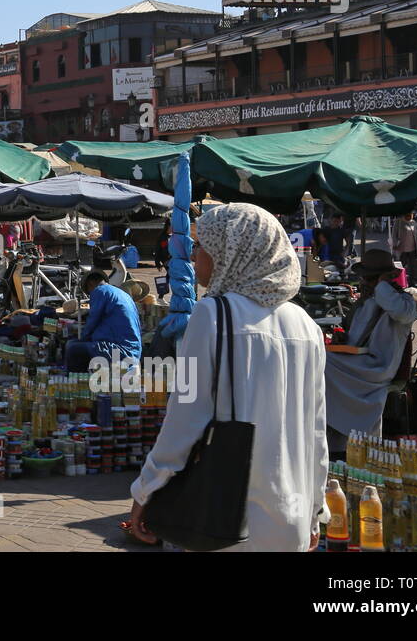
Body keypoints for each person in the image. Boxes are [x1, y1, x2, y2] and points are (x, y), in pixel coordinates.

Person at [127, 202, 329, 552]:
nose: (195, 258)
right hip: (291, 517)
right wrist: (315, 510)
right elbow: (316, 430)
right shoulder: (305, 325)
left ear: (231, 252)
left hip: (227, 517)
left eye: (203, 247)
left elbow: (185, 416)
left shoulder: (213, 314)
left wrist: (146, 489)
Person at [324, 246, 417, 457]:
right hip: (357, 361)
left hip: (377, 367)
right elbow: (354, 335)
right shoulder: (364, 303)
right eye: (364, 279)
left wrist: (383, 285)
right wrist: (343, 337)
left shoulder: (402, 301)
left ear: (383, 279)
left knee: (324, 363)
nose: (364, 283)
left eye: (369, 279)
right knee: (318, 359)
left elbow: (402, 314)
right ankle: (335, 443)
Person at [65, 271, 143, 373]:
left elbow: (92, 320)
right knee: (80, 345)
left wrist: (82, 338)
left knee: (73, 348)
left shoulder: (100, 291)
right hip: (134, 350)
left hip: (120, 350)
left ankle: (77, 383)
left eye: (89, 292)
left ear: (91, 284)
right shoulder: (123, 294)